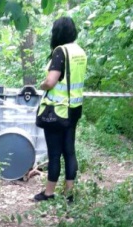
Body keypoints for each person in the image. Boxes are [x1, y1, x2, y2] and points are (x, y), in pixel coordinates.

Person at [34, 16, 87, 203]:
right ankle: (69, 193)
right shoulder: (80, 51)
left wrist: (41, 86)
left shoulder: (60, 52)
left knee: (55, 153)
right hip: (74, 109)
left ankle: (49, 193)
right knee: (69, 151)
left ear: (57, 33)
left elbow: (50, 81)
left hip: (57, 111)